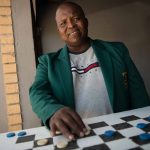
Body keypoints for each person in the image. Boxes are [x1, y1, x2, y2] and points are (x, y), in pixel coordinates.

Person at [29, 1, 150, 140]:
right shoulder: (47, 63)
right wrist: (52, 111)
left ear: (85, 22)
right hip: (77, 135)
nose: (71, 25)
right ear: (59, 31)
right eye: (63, 23)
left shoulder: (117, 51)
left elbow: (138, 94)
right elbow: (36, 92)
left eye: (75, 19)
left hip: (120, 131)